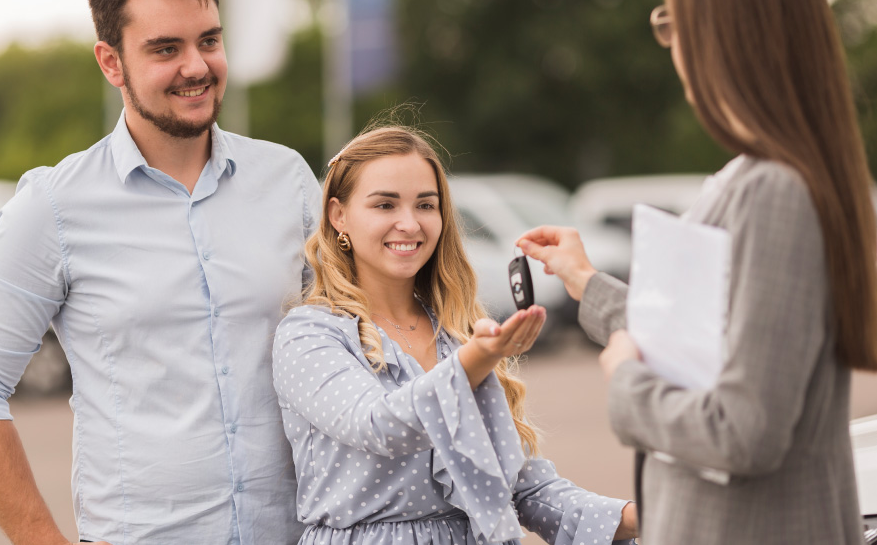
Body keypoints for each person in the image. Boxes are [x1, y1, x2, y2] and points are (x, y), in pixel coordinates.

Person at [518, 0, 877, 544]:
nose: (672, 46)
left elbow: (744, 431)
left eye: (674, 22)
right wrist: (585, 281)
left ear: (722, 32)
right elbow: (704, 342)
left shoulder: (775, 191)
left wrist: (626, 381)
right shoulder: (764, 175)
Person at [0, 0, 319, 545]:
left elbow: (362, 341)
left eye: (209, 41)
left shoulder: (288, 181)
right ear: (111, 63)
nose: (197, 66)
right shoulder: (53, 208)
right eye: (166, 49)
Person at [273, 125, 639, 544]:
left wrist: (644, 514)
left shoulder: (456, 333)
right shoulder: (309, 334)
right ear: (338, 215)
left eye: (425, 205)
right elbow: (378, 425)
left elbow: (523, 490)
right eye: (385, 204)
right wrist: (473, 364)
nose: (409, 223)